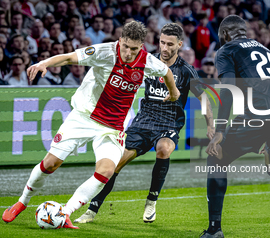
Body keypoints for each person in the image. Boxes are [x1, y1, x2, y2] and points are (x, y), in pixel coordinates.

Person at [2, 21, 180, 229]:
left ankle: (65, 213)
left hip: (113, 128)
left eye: (134, 49)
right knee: (50, 164)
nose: (129, 53)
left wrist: (174, 92)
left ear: (141, 47)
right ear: (120, 41)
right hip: (83, 118)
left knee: (106, 171)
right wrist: (44, 64)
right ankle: (22, 202)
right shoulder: (104, 52)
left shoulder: (148, 61)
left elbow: (166, 71)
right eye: (126, 46)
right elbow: (69, 58)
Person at [193, 15, 270, 238]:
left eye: (221, 37)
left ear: (226, 34)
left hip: (261, 111)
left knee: (216, 157)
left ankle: (214, 230)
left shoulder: (227, 50)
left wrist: (220, 130)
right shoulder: (264, 49)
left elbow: (228, 89)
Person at [74, 23, 214, 224]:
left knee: (164, 149)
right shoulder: (149, 61)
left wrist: (210, 125)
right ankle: (92, 209)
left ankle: (151, 200)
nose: (164, 48)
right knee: (116, 162)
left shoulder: (186, 71)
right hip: (143, 122)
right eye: (162, 43)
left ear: (180, 45)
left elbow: (204, 99)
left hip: (169, 123)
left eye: (170, 44)